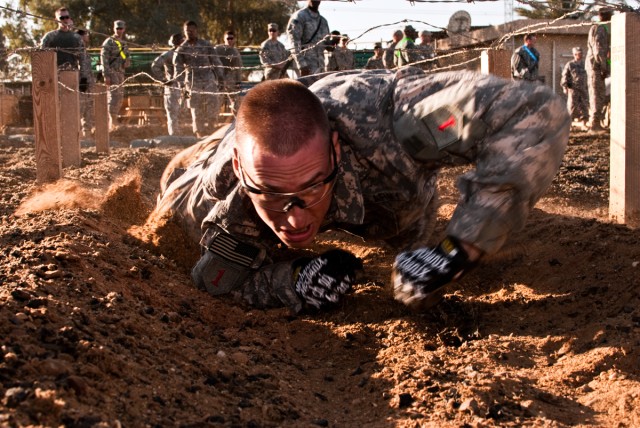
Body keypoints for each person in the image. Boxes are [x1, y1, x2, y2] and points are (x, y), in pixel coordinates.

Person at [153, 67, 570, 313]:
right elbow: (217, 283)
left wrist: (459, 247)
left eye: (311, 186)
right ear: (245, 173)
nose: (295, 218)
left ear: (335, 149)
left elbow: (534, 109)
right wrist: (293, 280)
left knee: (409, 228)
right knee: (175, 182)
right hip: (219, 158)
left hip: (384, 183)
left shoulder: (395, 125)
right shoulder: (219, 199)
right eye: (274, 195)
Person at [174, 20, 223, 139]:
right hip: (192, 82)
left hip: (208, 79)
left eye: (192, 30)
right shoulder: (181, 49)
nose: (190, 33)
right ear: (184, 32)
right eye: (187, 31)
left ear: (196, 31)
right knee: (196, 109)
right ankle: (199, 134)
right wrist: (180, 86)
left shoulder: (206, 45)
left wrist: (220, 78)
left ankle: (212, 131)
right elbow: (178, 69)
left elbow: (216, 61)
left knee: (213, 106)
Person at [151, 33, 185, 136]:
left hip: (183, 87)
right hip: (173, 86)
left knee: (179, 113)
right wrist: (164, 79)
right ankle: (174, 135)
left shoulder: (185, 54)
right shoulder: (169, 54)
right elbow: (155, 66)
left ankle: (179, 133)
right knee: (173, 113)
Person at [585, 6, 613, 132]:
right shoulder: (601, 28)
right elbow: (599, 50)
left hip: (594, 65)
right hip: (596, 66)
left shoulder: (596, 27)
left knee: (596, 94)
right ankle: (595, 124)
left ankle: (595, 122)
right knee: (597, 95)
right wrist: (603, 68)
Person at [286, 0, 330, 76]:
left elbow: (325, 43)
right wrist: (302, 65)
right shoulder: (299, 16)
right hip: (305, 69)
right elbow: (294, 43)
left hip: (320, 69)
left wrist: (331, 45)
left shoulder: (323, 21)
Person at [101, 20, 130, 130]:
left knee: (119, 97)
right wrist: (106, 75)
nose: (119, 30)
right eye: (117, 28)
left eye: (121, 28)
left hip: (120, 72)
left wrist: (127, 62)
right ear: (114, 29)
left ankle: (114, 118)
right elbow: (104, 59)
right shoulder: (109, 42)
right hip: (111, 72)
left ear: (124, 29)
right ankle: (112, 120)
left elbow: (127, 57)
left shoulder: (124, 43)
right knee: (113, 96)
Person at [215, 30, 243, 114]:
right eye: (228, 38)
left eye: (231, 38)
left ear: (234, 39)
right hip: (218, 79)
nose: (230, 40)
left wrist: (238, 82)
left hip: (231, 79)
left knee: (236, 101)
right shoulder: (217, 49)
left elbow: (238, 69)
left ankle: (236, 118)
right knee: (217, 100)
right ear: (224, 39)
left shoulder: (235, 52)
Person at [560, 47, 588, 128]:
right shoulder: (570, 64)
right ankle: (569, 124)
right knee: (571, 106)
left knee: (584, 106)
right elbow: (564, 76)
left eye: (581, 53)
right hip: (573, 88)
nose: (580, 55)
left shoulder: (584, 64)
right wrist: (565, 87)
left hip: (583, 88)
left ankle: (584, 123)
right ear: (574, 54)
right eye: (578, 54)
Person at [76, 29, 95, 138]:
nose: (88, 37)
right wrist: (82, 80)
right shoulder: (78, 49)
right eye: (86, 35)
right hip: (81, 83)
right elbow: (80, 65)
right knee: (80, 107)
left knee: (89, 107)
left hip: (87, 83)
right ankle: (78, 134)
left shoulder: (84, 49)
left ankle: (87, 133)